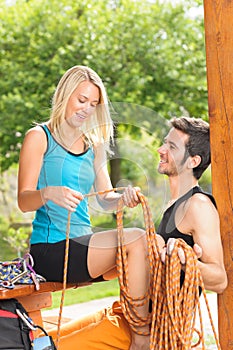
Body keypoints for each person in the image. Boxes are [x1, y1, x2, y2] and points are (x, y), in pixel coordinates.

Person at [17, 65, 165, 350]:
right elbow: (24, 200)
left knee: (153, 242)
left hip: (85, 248)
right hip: (52, 250)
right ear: (65, 95)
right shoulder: (39, 137)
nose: (87, 108)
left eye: (94, 103)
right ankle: (142, 341)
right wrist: (48, 193)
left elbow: (103, 198)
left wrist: (123, 198)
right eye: (81, 100)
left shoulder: (94, 145)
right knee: (136, 239)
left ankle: (147, 328)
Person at [158, 116, 227, 294]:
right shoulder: (172, 204)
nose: (161, 150)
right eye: (165, 143)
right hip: (135, 313)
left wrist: (186, 263)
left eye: (172, 147)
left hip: (165, 320)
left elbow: (220, 280)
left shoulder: (198, 205)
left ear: (193, 161)